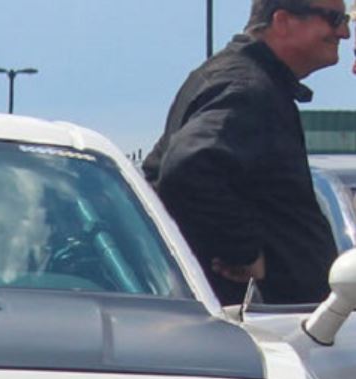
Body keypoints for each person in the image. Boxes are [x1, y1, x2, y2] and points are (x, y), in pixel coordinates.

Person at [143, 0, 350, 305]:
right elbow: (189, 165)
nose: (344, 33)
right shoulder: (247, 89)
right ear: (282, 21)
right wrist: (241, 250)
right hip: (263, 325)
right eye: (334, 19)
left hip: (270, 319)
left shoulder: (246, 82)